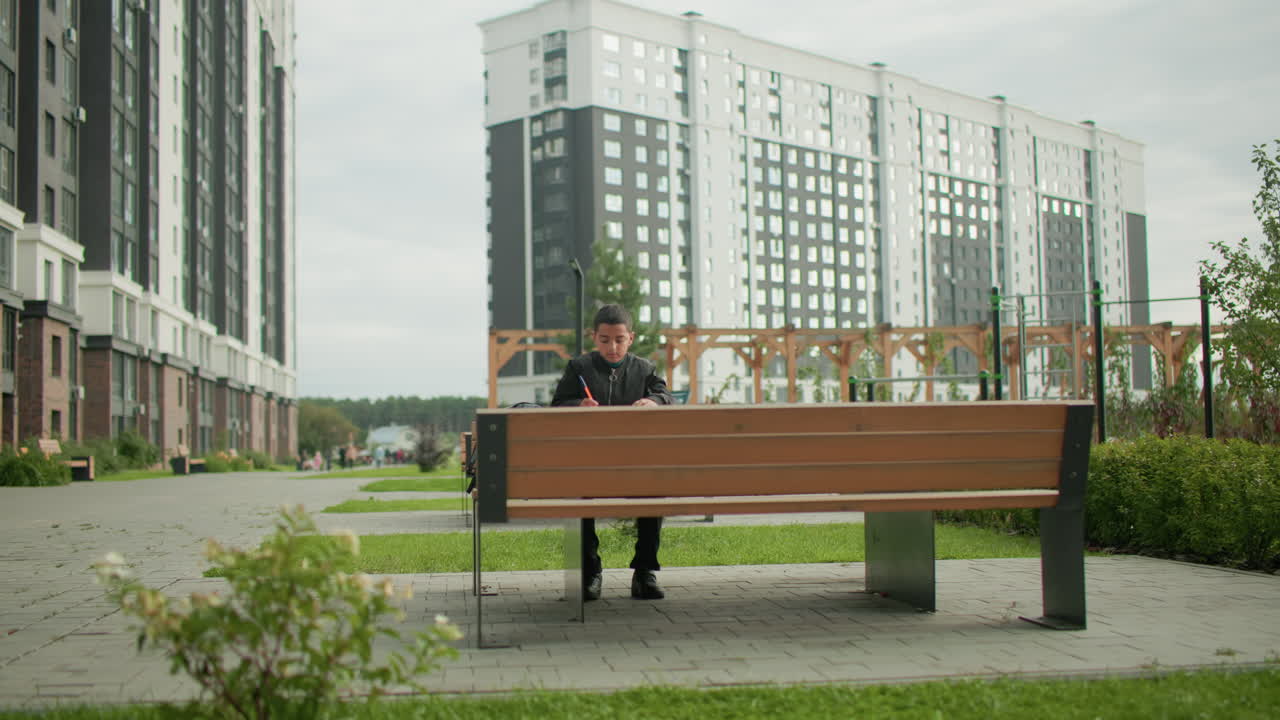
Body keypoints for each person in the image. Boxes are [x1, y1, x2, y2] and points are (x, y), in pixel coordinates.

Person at [552, 303, 673, 601]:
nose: (613, 347)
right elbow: (558, 405)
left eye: (619, 340)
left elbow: (666, 394)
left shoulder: (644, 369)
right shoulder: (579, 368)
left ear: (630, 338)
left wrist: (654, 400)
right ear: (594, 337)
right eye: (605, 340)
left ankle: (644, 572)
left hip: (632, 462)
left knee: (653, 492)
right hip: (590, 463)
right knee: (581, 493)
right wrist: (577, 405)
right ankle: (591, 571)